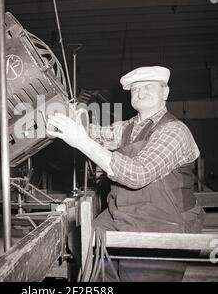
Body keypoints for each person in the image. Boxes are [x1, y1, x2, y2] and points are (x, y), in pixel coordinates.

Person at [47, 66, 205, 282]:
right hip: (126, 214)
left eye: (149, 87)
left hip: (164, 222)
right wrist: (66, 121)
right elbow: (94, 133)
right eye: (135, 89)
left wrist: (81, 141)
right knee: (79, 239)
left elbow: (138, 174)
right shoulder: (128, 127)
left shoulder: (175, 131)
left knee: (138, 272)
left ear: (165, 93)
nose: (140, 92)